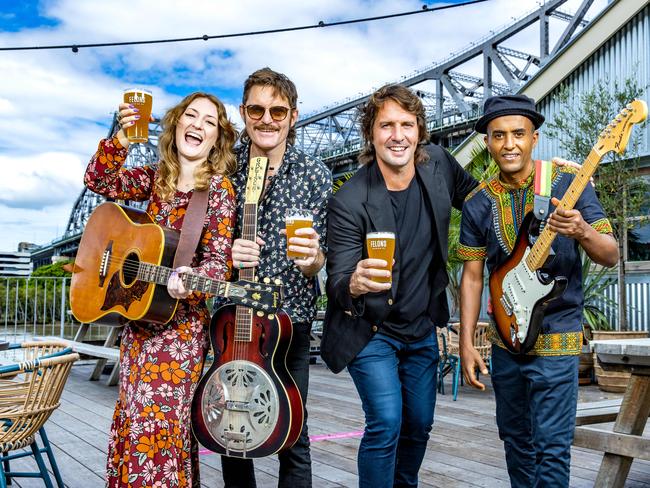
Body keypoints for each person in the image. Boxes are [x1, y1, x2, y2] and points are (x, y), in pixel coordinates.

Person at [320, 83, 478, 488]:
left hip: (421, 325)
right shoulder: (349, 200)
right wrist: (354, 282)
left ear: (419, 130)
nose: (397, 135)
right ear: (371, 134)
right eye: (386, 125)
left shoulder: (438, 165)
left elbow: (479, 201)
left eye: (407, 124)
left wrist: (533, 195)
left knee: (419, 424)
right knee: (387, 421)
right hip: (370, 330)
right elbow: (336, 283)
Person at [458, 94, 618, 487]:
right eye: (498, 136)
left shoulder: (568, 183)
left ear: (534, 137)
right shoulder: (478, 203)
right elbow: (473, 276)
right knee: (515, 440)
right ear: (488, 142)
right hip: (504, 340)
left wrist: (580, 229)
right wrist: (465, 342)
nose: (508, 144)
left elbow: (610, 254)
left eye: (518, 134)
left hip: (557, 339)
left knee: (551, 445)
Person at [84, 92, 238, 487]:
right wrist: (121, 138)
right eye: (191, 115)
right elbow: (98, 181)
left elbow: (219, 262)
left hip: (180, 332)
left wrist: (191, 281)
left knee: (160, 427)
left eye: (209, 121)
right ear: (176, 124)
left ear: (217, 138)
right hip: (139, 324)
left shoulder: (218, 191)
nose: (198, 125)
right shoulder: (155, 178)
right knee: (137, 421)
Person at [219, 67, 331, 488]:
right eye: (257, 109)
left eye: (278, 110)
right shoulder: (224, 168)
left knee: (292, 431)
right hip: (231, 319)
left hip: (290, 322)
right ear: (243, 112)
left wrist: (313, 260)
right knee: (233, 429)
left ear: (294, 115)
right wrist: (228, 249)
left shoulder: (314, 173)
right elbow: (202, 242)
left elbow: (327, 256)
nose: (267, 119)